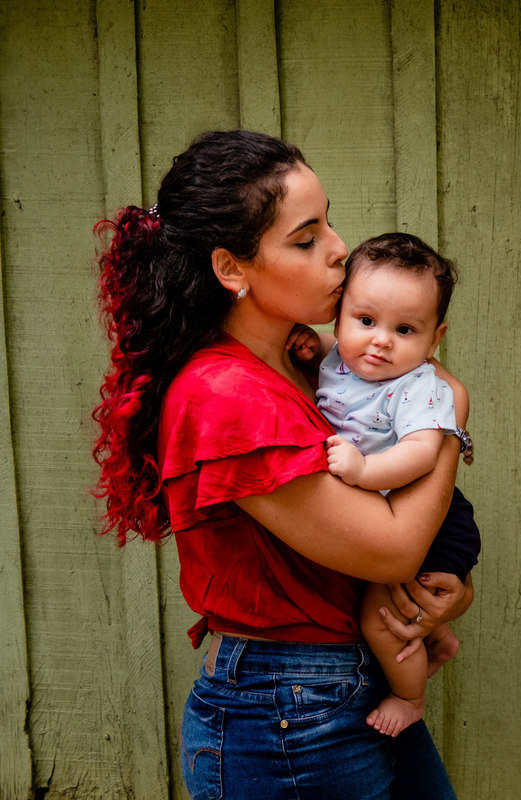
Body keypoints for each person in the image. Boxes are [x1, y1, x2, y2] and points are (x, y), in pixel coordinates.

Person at [92, 129, 473, 799]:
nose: (337, 251)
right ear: (231, 268)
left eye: (330, 222)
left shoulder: (308, 366)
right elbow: (389, 549)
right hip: (286, 712)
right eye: (305, 239)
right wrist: (449, 416)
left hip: (335, 688)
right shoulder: (226, 395)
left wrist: (443, 592)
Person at [293, 232, 480, 737]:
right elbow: (334, 353)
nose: (380, 340)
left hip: (439, 521)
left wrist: (363, 472)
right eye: (366, 321)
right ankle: (435, 638)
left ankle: (408, 696)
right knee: (401, 606)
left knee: (379, 616)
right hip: (391, 503)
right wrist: (312, 350)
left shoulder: (420, 387)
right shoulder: (342, 357)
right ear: (341, 317)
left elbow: (421, 455)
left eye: (404, 329)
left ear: (434, 339)